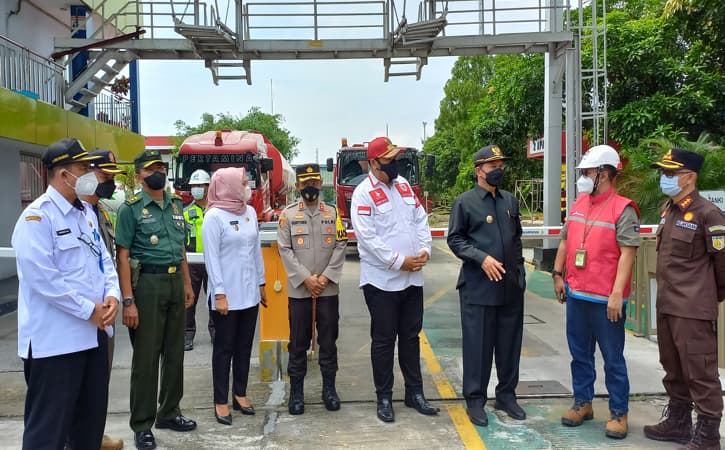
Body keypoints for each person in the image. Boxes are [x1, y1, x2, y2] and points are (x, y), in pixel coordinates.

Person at [12, 138, 119, 449]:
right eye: (83, 168)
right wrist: (90, 309)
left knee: (89, 427)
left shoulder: (85, 213)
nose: (90, 173)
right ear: (61, 174)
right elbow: (45, 280)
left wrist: (112, 295)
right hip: (55, 344)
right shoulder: (37, 218)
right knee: (48, 432)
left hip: (93, 337)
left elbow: (104, 261)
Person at [551, 145, 640, 439]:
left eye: (588, 172)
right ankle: (583, 403)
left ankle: (618, 412)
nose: (584, 177)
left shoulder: (623, 209)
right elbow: (565, 241)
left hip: (606, 300)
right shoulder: (578, 204)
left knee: (613, 357)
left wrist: (617, 294)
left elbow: (627, 254)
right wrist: (557, 274)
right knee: (580, 354)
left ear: (605, 174)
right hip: (577, 295)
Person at [350, 136, 439, 423]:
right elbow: (368, 238)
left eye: (395, 158)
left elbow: (420, 220)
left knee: (412, 338)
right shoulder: (363, 194)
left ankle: (415, 393)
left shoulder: (403, 187)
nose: (395, 164)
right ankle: (384, 397)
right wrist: (400, 261)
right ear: (374, 163)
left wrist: (424, 250)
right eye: (389, 160)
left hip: (412, 281)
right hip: (382, 282)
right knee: (384, 340)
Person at [643, 148, 725, 449]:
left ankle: (707, 435)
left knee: (699, 371)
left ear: (689, 178)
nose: (664, 178)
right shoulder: (670, 209)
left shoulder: (708, 213)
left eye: (670, 173)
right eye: (663, 173)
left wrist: (706, 297)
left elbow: (722, 264)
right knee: (673, 367)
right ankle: (678, 421)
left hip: (693, 308)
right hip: (668, 304)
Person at [115, 149, 197, 450]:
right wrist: (128, 301)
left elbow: (181, 249)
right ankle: (142, 423)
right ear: (138, 175)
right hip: (147, 285)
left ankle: (169, 412)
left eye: (161, 167)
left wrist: (187, 284)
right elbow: (122, 257)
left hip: (176, 282)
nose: (158, 172)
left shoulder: (176, 204)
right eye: (151, 169)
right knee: (147, 358)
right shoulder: (131, 209)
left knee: (175, 353)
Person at [446, 144, 526, 427]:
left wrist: (520, 275)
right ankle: (475, 400)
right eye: (493, 167)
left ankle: (506, 395)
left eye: (500, 165)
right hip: (479, 288)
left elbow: (516, 238)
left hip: (510, 288)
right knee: (478, 347)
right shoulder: (465, 203)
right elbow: (455, 239)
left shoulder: (509, 201)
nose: (498, 171)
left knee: (509, 346)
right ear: (479, 171)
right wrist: (481, 258)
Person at [278, 163, 348, 415]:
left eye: (314, 183)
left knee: (329, 341)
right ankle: (296, 391)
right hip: (300, 291)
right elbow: (284, 249)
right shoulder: (287, 215)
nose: (310, 187)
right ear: (297, 186)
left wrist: (326, 277)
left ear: (320, 184)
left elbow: (341, 244)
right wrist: (306, 279)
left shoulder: (333, 212)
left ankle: (329, 388)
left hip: (327, 291)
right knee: (298, 342)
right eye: (305, 183)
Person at [201, 167, 267, 425]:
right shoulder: (214, 217)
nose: (247, 184)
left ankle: (240, 392)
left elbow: (255, 251)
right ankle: (221, 401)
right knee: (223, 349)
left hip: (249, 294)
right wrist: (218, 293)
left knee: (244, 346)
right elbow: (212, 260)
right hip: (226, 296)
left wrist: (261, 283)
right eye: (242, 181)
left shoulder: (249, 211)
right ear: (227, 185)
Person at [83, 148, 126, 450]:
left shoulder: (102, 212)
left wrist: (114, 296)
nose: (109, 183)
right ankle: (80, 438)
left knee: (99, 383)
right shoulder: (71, 214)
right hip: (82, 315)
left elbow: (107, 261)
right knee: (78, 385)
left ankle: (93, 435)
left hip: (105, 314)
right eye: (104, 176)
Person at [184, 169, 212, 351]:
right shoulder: (186, 211)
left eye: (200, 185)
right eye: (193, 186)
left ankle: (216, 332)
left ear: (208, 187)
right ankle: (187, 334)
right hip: (191, 262)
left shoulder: (216, 210)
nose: (196, 189)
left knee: (214, 300)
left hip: (211, 261)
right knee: (188, 299)